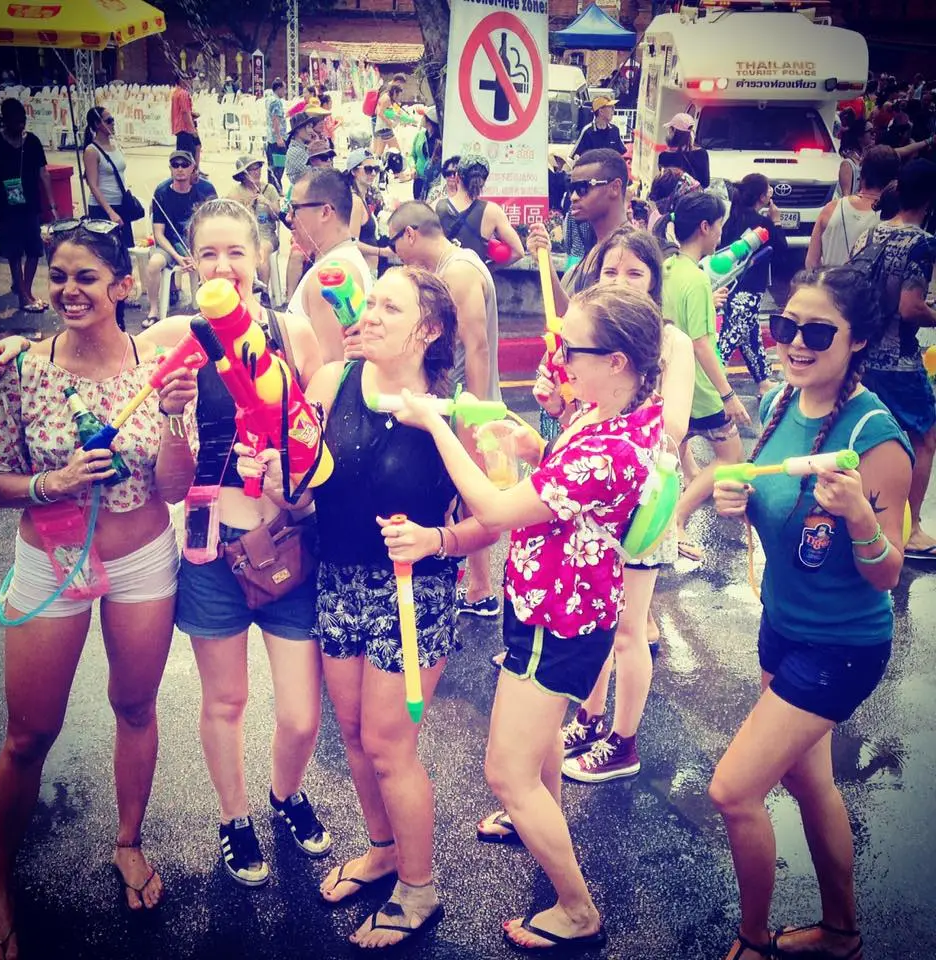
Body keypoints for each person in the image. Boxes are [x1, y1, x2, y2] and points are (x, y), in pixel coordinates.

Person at [398, 284, 664, 950]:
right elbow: (575, 489)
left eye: (572, 349)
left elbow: (492, 510)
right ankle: (536, 818)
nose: (559, 359)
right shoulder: (613, 412)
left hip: (558, 621)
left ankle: (577, 910)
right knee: (538, 744)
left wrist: (435, 423)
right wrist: (537, 451)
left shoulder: (609, 447)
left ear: (619, 361)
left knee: (506, 771)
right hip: (551, 604)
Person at [0, 221, 198, 959]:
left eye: (87, 278)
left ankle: (128, 842)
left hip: (141, 561)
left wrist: (174, 417)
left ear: (122, 286)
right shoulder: (20, 369)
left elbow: (175, 487)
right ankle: (0, 887)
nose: (70, 290)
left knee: (135, 706)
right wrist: (54, 481)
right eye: (60, 276)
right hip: (52, 561)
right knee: (27, 735)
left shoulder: (160, 372)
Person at [711, 264, 912, 960]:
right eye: (785, 326)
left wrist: (860, 515)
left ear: (857, 341)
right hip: (782, 627)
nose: (795, 342)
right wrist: (736, 502)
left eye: (818, 332)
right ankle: (841, 933)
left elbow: (886, 573)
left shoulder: (876, 440)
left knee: (733, 790)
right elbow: (776, 509)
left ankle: (753, 940)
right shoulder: (777, 406)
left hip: (842, 646)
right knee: (808, 780)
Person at [296, 267, 497, 948]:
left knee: (390, 746)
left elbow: (492, 520)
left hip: (413, 594)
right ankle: (382, 850)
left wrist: (436, 539)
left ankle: (418, 888)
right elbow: (303, 481)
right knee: (354, 735)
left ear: (429, 329)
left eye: (391, 306)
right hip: (339, 581)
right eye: (371, 302)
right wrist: (279, 477)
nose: (371, 314)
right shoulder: (333, 382)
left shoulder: (453, 412)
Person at [156, 198, 332, 884]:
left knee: (301, 713)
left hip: (287, 544)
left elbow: (323, 430)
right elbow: (105, 360)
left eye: (236, 251)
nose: (224, 265)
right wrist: (20, 352)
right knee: (225, 701)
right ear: (191, 263)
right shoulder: (182, 335)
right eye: (209, 253)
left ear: (260, 257)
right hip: (211, 549)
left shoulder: (293, 334)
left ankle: (285, 795)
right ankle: (235, 818)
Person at [526, 227, 695, 782]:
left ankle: (624, 741)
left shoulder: (669, 343)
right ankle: (589, 716)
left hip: (640, 502)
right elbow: (581, 413)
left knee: (628, 628)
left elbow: (672, 427)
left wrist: (611, 426)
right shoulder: (589, 337)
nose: (620, 281)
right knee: (593, 617)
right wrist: (562, 403)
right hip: (592, 504)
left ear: (654, 280)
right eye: (609, 271)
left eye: (634, 272)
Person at [387, 201, 502, 617]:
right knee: (458, 495)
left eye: (394, 243)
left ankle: (481, 589)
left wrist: (473, 416)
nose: (396, 255)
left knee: (471, 496)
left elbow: (478, 347)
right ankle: (471, 585)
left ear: (410, 234)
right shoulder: (455, 265)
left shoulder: (459, 272)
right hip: (455, 404)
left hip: (464, 407)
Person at [656, 191, 751, 561]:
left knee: (675, 448)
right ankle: (678, 518)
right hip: (701, 387)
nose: (721, 235)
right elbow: (701, 345)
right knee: (732, 457)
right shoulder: (695, 279)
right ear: (705, 227)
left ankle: (680, 498)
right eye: (720, 227)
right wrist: (728, 395)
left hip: (671, 382)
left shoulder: (667, 268)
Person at [850, 159, 936, 560]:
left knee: (866, 436)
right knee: (924, 438)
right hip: (898, 362)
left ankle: (862, 517)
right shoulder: (921, 243)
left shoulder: (871, 232)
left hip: (860, 355)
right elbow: (910, 307)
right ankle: (912, 528)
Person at [528, 149, 629, 317]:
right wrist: (545, 261)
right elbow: (569, 316)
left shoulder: (629, 251)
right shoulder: (599, 245)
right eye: (571, 188)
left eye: (583, 188)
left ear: (614, 188)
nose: (573, 197)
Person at [286, 168, 372, 363]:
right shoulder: (345, 260)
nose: (289, 217)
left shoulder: (330, 279)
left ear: (325, 212)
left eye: (294, 208)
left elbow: (332, 367)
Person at [718, 174, 788, 398]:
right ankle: (711, 380)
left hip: (732, 285)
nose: (771, 193)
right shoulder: (763, 224)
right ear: (761, 197)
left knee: (750, 334)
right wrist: (776, 222)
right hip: (750, 289)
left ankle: (763, 380)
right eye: (768, 190)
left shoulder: (733, 218)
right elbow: (782, 252)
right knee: (730, 337)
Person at [0, 98, 55, 313]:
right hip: (6, 205)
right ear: (5, 121)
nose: (20, 125)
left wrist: (52, 204)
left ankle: (26, 289)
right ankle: (23, 296)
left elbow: (43, 173)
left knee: (34, 248)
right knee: (14, 250)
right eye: (16, 121)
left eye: (23, 120)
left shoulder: (32, 141)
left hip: (30, 202)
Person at [144, 150, 216, 327]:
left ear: (193, 168)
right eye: (175, 165)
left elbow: (213, 224)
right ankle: (153, 310)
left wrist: (197, 254)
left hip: (198, 242)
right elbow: (158, 234)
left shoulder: (206, 189)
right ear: (170, 168)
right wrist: (177, 257)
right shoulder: (161, 192)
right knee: (153, 264)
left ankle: (211, 306)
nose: (180, 169)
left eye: (184, 164)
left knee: (215, 260)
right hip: (169, 245)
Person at [806, 146, 899, 270]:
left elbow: (811, 263)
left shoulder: (831, 208)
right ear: (894, 180)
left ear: (862, 175)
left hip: (829, 281)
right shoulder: (894, 217)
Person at [434, 155, 524, 266]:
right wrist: (487, 269)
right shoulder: (492, 211)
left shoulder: (436, 207)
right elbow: (518, 252)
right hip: (474, 275)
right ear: (483, 182)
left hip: (443, 274)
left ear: (457, 177)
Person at [83, 106, 134, 249]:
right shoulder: (91, 151)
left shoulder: (115, 145)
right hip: (103, 207)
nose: (113, 123)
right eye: (109, 121)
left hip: (121, 204)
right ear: (97, 124)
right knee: (106, 252)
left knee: (125, 250)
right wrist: (110, 212)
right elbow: (93, 185)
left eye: (113, 120)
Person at [227, 155, 281, 288]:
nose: (257, 172)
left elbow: (277, 216)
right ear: (243, 175)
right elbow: (231, 220)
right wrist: (246, 208)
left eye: (258, 168)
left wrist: (267, 203)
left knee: (261, 249)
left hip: (266, 235)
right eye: (252, 169)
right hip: (244, 236)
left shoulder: (269, 189)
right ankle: (241, 289)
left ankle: (264, 292)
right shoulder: (235, 193)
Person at [344, 148, 384, 269]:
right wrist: (382, 251)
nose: (373, 173)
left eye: (376, 169)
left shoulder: (364, 198)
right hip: (363, 269)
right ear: (353, 171)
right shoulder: (356, 201)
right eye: (368, 169)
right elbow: (352, 242)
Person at [658, 113, 710, 188]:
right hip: (695, 195)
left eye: (670, 129)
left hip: (674, 196)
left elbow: (664, 185)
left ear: (673, 130)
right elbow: (706, 183)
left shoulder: (664, 156)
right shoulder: (702, 153)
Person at [573, 95, 627, 160]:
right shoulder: (587, 131)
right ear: (601, 111)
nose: (613, 111)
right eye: (611, 108)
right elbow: (574, 156)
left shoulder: (615, 130)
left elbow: (623, 153)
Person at [411, 106, 441, 203]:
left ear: (429, 121)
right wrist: (413, 167)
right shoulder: (420, 136)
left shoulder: (440, 140)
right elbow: (412, 155)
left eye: (424, 116)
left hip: (434, 183)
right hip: (418, 179)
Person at [171, 74, 201, 169]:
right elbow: (185, 113)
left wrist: (192, 114)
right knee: (187, 153)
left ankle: (195, 169)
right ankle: (193, 170)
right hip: (185, 127)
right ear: (181, 80)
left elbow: (183, 111)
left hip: (180, 127)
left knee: (195, 147)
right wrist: (192, 130)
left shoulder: (176, 93)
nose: (190, 81)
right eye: (187, 79)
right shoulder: (183, 94)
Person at [284, 109, 317, 189]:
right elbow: (314, 175)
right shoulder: (295, 151)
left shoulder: (302, 148)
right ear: (298, 129)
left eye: (311, 127)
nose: (312, 131)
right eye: (308, 127)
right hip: (302, 192)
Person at [265, 78, 287, 191]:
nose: (285, 92)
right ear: (278, 89)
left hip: (270, 138)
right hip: (277, 139)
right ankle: (276, 188)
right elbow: (275, 119)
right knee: (279, 164)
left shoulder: (269, 99)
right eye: (284, 89)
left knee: (272, 165)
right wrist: (279, 137)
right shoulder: (276, 102)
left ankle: (273, 188)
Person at [373, 82, 405, 158]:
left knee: (379, 153)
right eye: (398, 95)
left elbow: (380, 111)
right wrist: (390, 123)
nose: (398, 98)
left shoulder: (386, 96)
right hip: (385, 128)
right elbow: (380, 113)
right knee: (397, 151)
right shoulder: (386, 99)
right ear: (394, 92)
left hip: (381, 128)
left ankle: (374, 163)